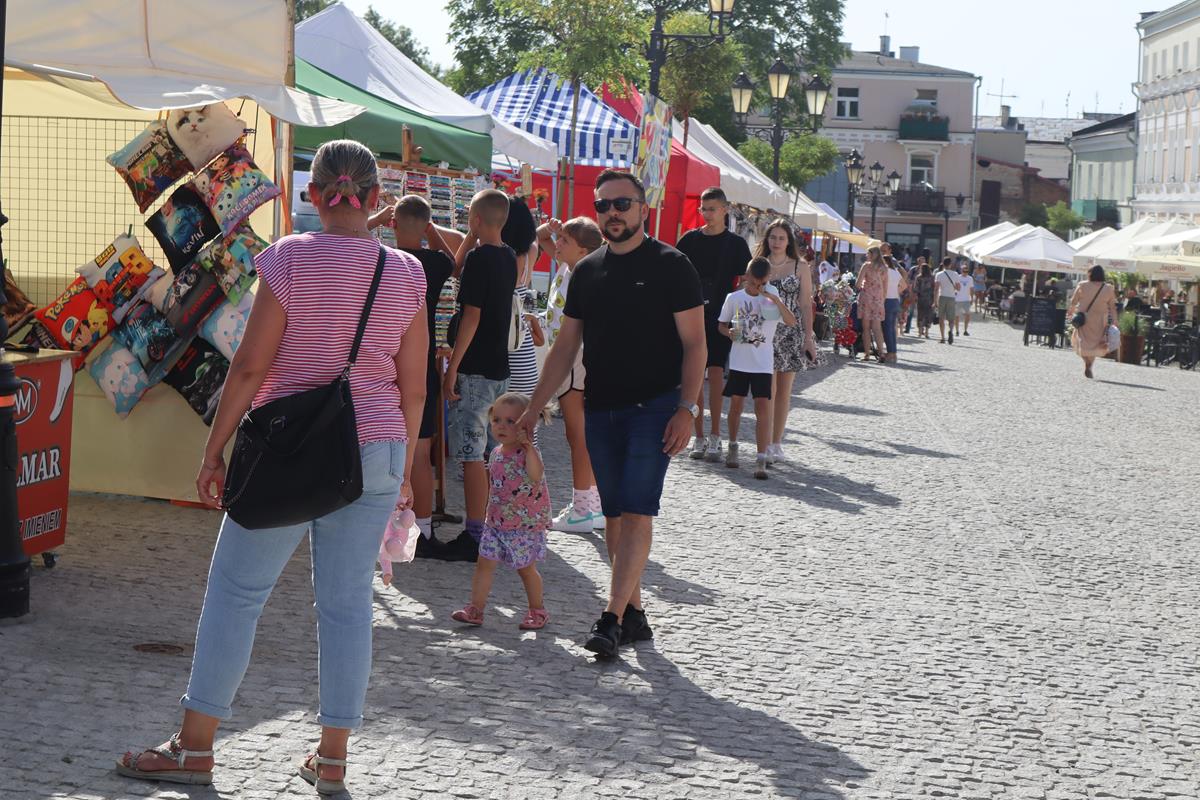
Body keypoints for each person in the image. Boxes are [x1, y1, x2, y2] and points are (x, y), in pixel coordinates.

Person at [116, 140, 428, 793]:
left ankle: (195, 748)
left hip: (288, 451)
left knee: (237, 594)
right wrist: (403, 470)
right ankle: (333, 758)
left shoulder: (287, 258)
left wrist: (215, 450)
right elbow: (414, 387)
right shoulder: (406, 273)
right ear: (376, 200)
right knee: (347, 606)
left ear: (314, 196)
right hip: (375, 447)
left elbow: (250, 367)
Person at [517, 170, 705, 659]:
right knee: (614, 514)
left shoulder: (672, 266)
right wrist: (534, 408)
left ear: (643, 208)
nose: (613, 213)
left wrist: (686, 408)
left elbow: (695, 344)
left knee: (637, 510)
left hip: (655, 408)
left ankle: (611, 617)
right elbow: (565, 348)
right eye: (603, 206)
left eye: (622, 203)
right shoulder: (587, 271)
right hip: (600, 408)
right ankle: (635, 613)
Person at [442, 189, 519, 562]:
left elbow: (471, 316)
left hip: (474, 370)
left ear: (474, 220)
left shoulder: (479, 259)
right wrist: (471, 236)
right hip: (498, 368)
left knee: (471, 456)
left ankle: (475, 535)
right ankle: (493, 528)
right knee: (491, 453)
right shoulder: (508, 256)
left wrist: (453, 367)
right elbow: (457, 270)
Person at [388, 195, 455, 560]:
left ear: (393, 224)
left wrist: (378, 218)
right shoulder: (434, 263)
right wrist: (432, 231)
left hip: (386, 360)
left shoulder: (385, 259)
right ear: (427, 226)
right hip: (422, 362)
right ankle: (423, 529)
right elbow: (453, 260)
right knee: (421, 451)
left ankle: (387, 525)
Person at [451, 392, 551, 630]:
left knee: (526, 569)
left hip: (522, 525)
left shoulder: (528, 453)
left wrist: (529, 447)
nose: (501, 426)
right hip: (495, 523)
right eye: (496, 420)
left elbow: (536, 475)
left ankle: (537, 610)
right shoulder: (496, 452)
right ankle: (476, 609)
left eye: (510, 421)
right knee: (484, 564)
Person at [537, 216, 605, 533]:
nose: (558, 244)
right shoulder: (570, 267)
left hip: (574, 360)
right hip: (571, 359)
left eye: (565, 240)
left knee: (578, 436)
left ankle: (581, 510)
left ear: (583, 251)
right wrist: (554, 229)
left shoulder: (583, 274)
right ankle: (594, 506)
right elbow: (541, 238)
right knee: (583, 436)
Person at [675, 186, 752, 463]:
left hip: (722, 316)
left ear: (725, 210)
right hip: (691, 314)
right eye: (703, 209)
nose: (707, 214)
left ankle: (716, 435)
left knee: (717, 373)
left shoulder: (736, 244)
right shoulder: (689, 240)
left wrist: (739, 316)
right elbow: (674, 274)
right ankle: (698, 436)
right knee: (694, 374)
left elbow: (746, 282)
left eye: (712, 209)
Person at [718, 258, 796, 479]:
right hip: (739, 361)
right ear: (746, 276)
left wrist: (774, 299)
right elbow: (721, 325)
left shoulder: (772, 296)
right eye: (752, 282)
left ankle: (761, 457)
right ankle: (733, 446)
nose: (756, 287)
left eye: (761, 284)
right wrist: (728, 333)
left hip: (762, 363)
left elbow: (791, 321)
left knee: (762, 407)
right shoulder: (734, 298)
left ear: (768, 279)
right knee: (736, 404)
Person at [756, 220, 817, 464]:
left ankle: (776, 442)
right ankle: (765, 442)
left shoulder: (800, 266)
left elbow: (805, 304)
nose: (777, 242)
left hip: (791, 332)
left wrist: (808, 337)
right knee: (767, 390)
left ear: (789, 241)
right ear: (767, 239)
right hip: (764, 332)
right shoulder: (759, 263)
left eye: (781, 238)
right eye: (773, 237)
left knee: (784, 391)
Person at [502, 196, 545, 440]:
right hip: (525, 349)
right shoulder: (531, 251)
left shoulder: (497, 255)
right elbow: (535, 235)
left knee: (500, 426)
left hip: (504, 350)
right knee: (526, 432)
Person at [1068, 264, 1118, 379]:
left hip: (1084, 318)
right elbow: (1112, 306)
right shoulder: (1108, 288)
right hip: (1100, 320)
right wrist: (1115, 320)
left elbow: (1074, 301)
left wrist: (1071, 311)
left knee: (1081, 342)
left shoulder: (1082, 285)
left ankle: (1087, 362)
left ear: (1090, 274)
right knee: (1095, 344)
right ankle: (1089, 364)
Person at [856, 246, 888, 362]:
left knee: (866, 328)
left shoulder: (866, 266)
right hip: (878, 300)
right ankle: (881, 353)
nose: (866, 255)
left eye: (868, 253)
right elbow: (885, 287)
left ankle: (867, 355)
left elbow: (858, 284)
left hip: (867, 298)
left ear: (872, 254)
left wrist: (863, 284)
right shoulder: (884, 268)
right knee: (877, 328)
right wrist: (882, 300)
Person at [882, 255, 908, 362]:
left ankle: (890, 353)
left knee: (887, 329)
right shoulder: (895, 272)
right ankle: (894, 353)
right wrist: (896, 291)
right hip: (895, 301)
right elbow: (904, 286)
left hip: (887, 300)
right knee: (892, 329)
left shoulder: (884, 271)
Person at [934, 257, 960, 344]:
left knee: (941, 318)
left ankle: (942, 337)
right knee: (951, 318)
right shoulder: (955, 274)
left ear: (943, 264)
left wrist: (935, 301)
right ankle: (951, 330)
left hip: (942, 296)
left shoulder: (939, 274)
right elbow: (958, 288)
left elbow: (936, 289)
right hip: (951, 297)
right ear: (950, 264)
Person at [914, 261, 935, 338]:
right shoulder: (932, 277)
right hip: (929, 298)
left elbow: (916, 288)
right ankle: (926, 332)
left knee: (920, 315)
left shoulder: (918, 277)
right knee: (928, 315)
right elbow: (934, 288)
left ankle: (920, 332)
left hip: (921, 298)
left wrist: (916, 296)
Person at [955, 262, 974, 336]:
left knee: (967, 315)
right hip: (958, 299)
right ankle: (957, 330)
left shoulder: (970, 278)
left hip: (966, 299)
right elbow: (955, 287)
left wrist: (972, 298)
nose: (965, 273)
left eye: (967, 271)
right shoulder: (958, 277)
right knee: (957, 316)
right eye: (964, 271)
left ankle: (965, 330)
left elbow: (971, 289)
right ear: (961, 270)